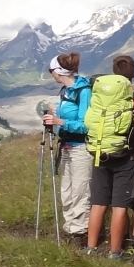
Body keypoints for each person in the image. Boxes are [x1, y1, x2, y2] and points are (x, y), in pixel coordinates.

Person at [85, 54, 134, 259]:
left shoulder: (100, 92)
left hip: (99, 151)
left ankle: (91, 248)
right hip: (123, 156)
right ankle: (115, 252)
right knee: (119, 205)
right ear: (132, 73)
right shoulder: (132, 95)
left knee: (98, 202)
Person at [42, 52, 92, 243]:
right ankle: (70, 227)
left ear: (58, 71)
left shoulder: (84, 91)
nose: (51, 74)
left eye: (51, 70)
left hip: (81, 148)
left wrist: (59, 121)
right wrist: (56, 112)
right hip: (67, 147)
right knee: (67, 190)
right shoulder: (66, 90)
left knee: (80, 191)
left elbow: (86, 124)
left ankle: (80, 233)